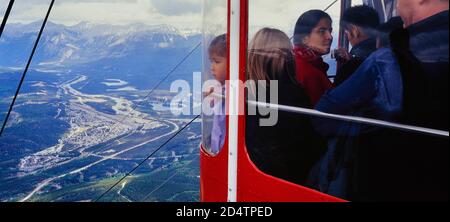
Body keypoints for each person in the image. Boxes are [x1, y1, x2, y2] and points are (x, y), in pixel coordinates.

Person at [313, 5, 448, 200]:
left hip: (379, 173)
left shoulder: (382, 61)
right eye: (322, 31)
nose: (330, 37)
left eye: (332, 30)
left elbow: (322, 116)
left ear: (354, 31)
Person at [246, 28, 326, 185]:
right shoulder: (289, 92)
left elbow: (263, 143)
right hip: (293, 175)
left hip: (266, 176)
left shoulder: (254, 91)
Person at [293, 10, 334, 106]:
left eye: (330, 31)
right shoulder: (306, 70)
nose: (330, 37)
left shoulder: (311, 63)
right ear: (304, 38)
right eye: (321, 31)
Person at [334, 5, 380, 86]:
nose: (347, 37)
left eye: (346, 33)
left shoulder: (350, 69)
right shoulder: (392, 54)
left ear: (355, 31)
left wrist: (349, 64)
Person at [207, 34, 227, 154]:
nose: (212, 68)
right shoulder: (222, 89)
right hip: (218, 152)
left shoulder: (240, 91)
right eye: (211, 61)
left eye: (217, 61)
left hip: (224, 152)